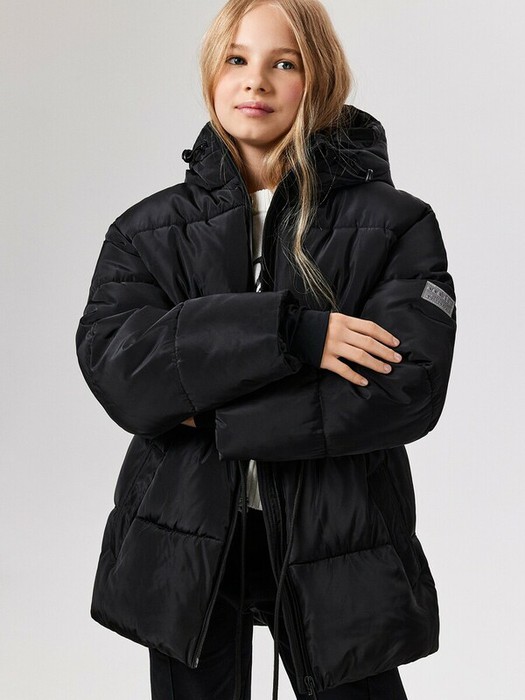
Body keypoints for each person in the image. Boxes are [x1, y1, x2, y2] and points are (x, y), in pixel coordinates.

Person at [75, 0, 457, 698]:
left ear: (320, 77)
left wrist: (215, 415)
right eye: (237, 59)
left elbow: (407, 388)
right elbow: (123, 373)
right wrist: (294, 334)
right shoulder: (144, 232)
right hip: (184, 535)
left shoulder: (396, 225)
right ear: (212, 72)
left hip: (340, 536)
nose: (255, 80)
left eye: (284, 62)